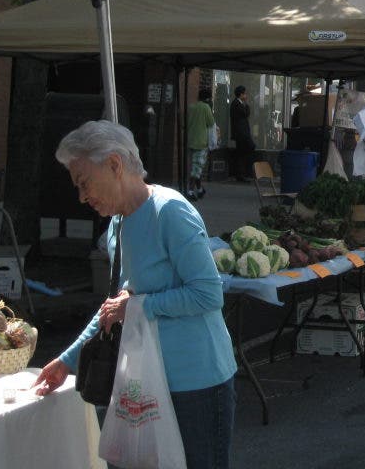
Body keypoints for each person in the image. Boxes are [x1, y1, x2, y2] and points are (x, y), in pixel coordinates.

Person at [33, 120, 236, 468]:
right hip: (143, 385)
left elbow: (207, 294)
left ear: (114, 164)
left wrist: (142, 306)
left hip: (195, 388)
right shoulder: (117, 223)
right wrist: (67, 360)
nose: (82, 197)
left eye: (84, 183)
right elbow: (116, 307)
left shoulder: (170, 211)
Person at [186, 87, 215, 201]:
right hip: (201, 142)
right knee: (196, 169)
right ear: (208, 98)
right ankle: (190, 191)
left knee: (195, 167)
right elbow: (211, 123)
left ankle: (200, 189)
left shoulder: (191, 107)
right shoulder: (206, 108)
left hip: (191, 140)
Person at [230, 84, 255, 181]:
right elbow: (245, 114)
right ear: (241, 94)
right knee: (242, 153)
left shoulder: (238, 103)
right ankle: (241, 174)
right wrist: (247, 105)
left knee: (243, 152)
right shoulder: (236, 104)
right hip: (241, 134)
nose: (246, 96)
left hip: (242, 133)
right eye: (245, 94)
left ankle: (242, 173)